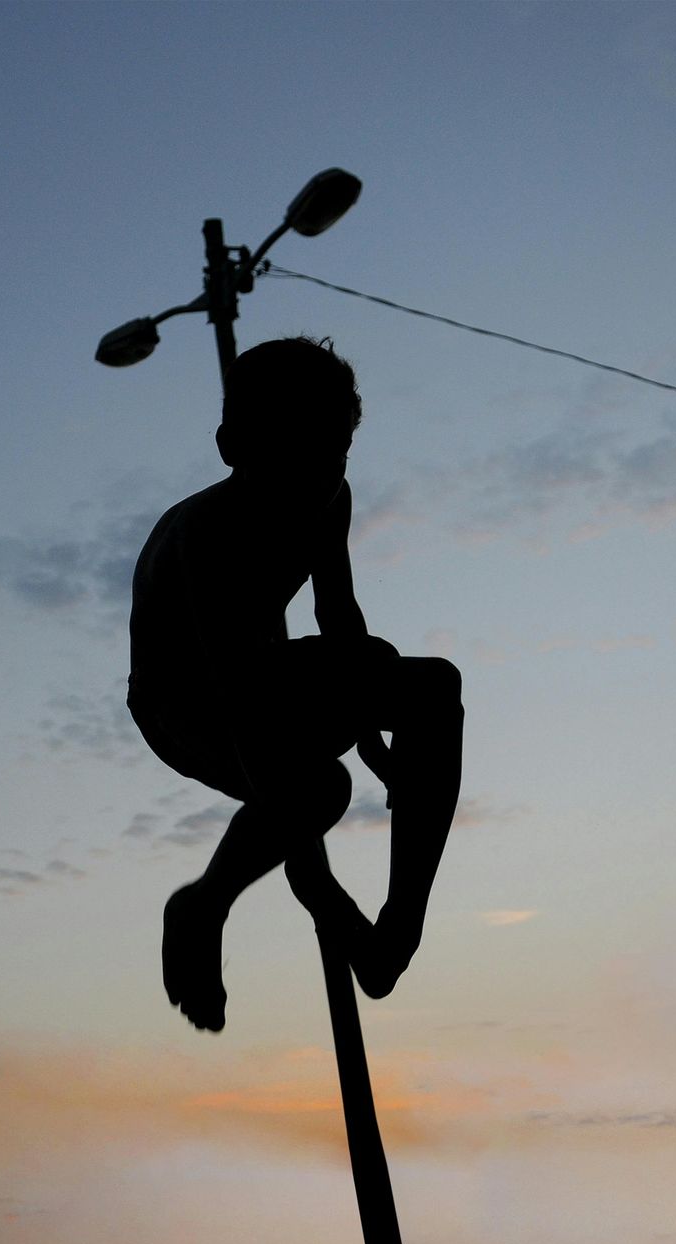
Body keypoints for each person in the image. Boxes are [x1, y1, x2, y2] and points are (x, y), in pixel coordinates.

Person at [127, 336, 464, 1032]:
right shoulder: (205, 534)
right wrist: (307, 866)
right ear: (233, 448)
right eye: (295, 457)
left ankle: (394, 937)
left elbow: (337, 615)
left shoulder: (327, 497)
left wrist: (376, 746)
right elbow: (237, 701)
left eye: (334, 455)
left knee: (422, 686)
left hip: (264, 678)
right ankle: (204, 904)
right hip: (184, 704)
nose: (317, 478)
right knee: (317, 790)